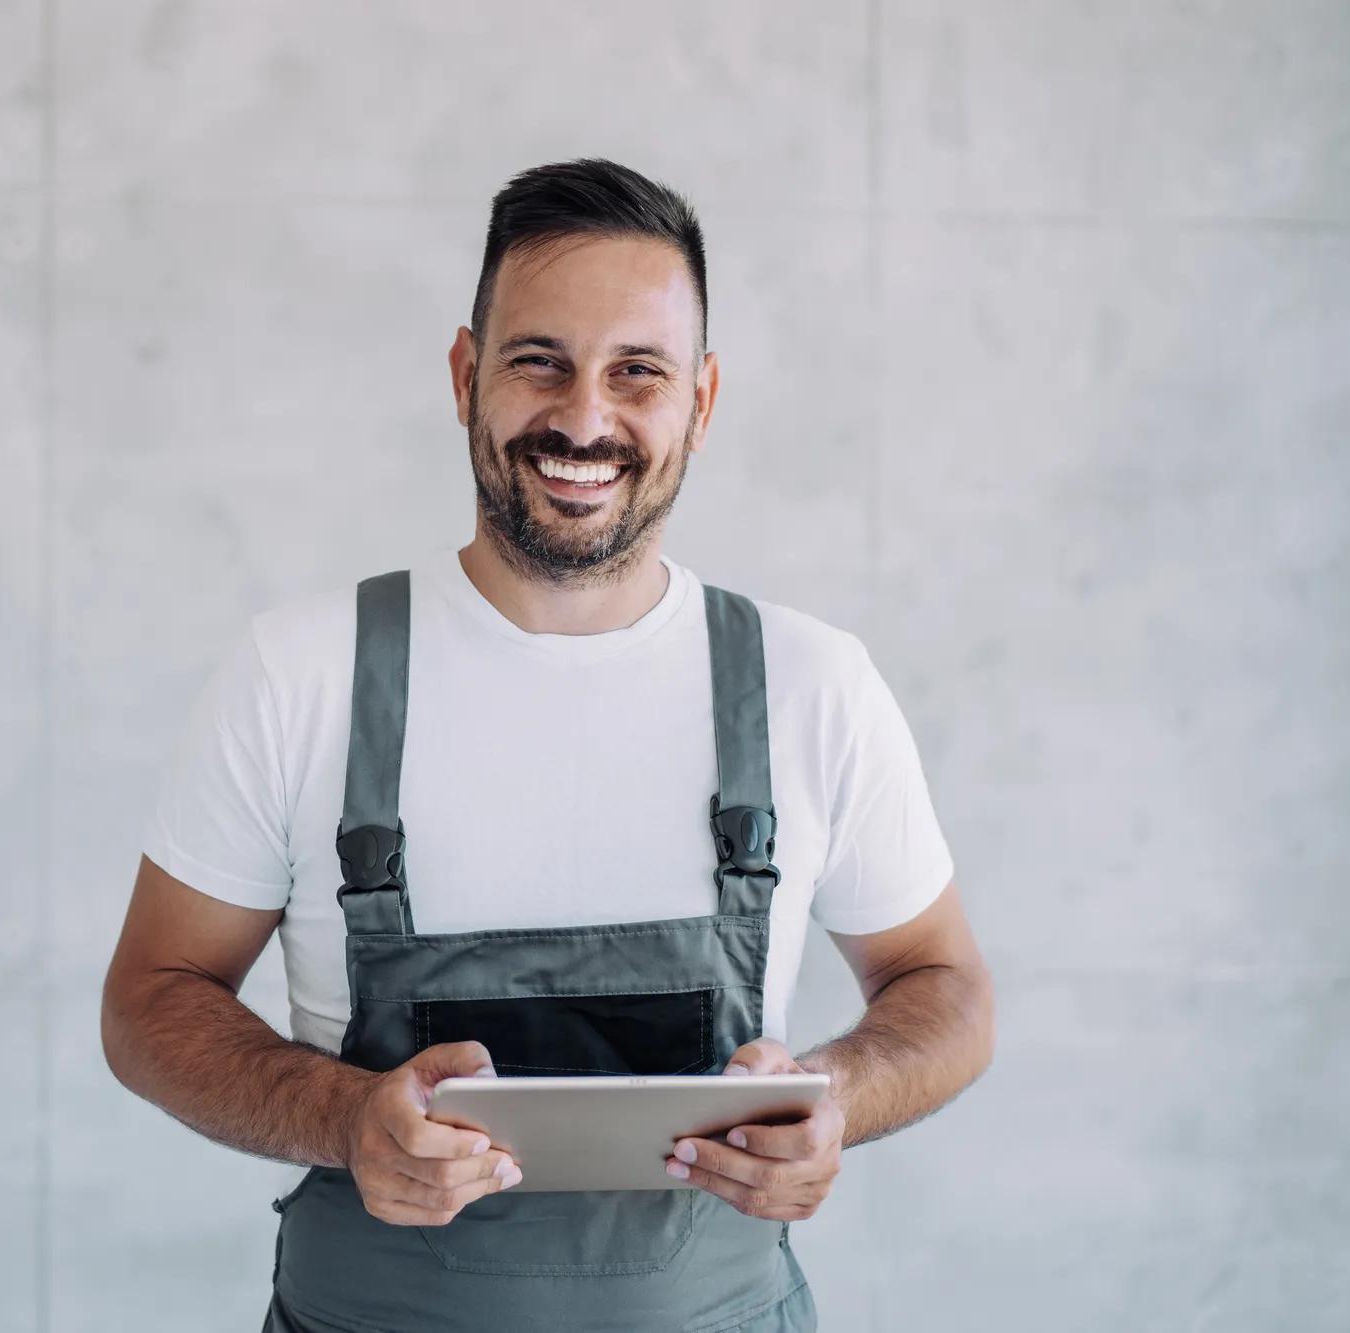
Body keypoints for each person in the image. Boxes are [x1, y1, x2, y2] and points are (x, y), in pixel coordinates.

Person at [101, 158, 995, 1332]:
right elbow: (150, 1000)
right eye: (539, 362)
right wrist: (342, 1117)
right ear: (467, 373)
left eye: (638, 372)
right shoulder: (298, 673)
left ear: (701, 400)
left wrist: (832, 1095)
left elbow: (947, 988)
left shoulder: (810, 683)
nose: (584, 418)